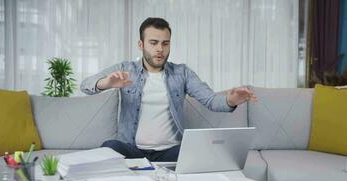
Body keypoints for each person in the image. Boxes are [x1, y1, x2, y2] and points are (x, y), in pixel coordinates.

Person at [81, 17, 257, 162]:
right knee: (109, 147)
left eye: (165, 43)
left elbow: (210, 100)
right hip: (132, 150)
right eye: (154, 43)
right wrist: (106, 83)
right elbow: (86, 85)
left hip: (171, 152)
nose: (160, 49)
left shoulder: (182, 73)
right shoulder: (125, 69)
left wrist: (231, 100)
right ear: (141, 45)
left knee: (199, 153)